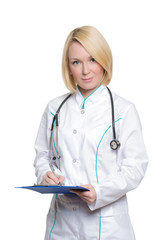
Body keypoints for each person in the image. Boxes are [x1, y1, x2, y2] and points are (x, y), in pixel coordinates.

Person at [34, 26, 148, 240]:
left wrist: (100, 191)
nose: (86, 70)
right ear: (68, 67)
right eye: (76, 62)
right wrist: (45, 175)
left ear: (104, 60)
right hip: (62, 224)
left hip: (108, 227)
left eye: (93, 59)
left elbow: (135, 167)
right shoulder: (54, 108)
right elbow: (43, 156)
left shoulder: (123, 110)